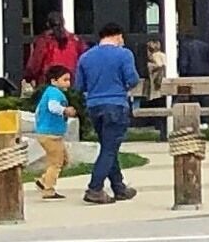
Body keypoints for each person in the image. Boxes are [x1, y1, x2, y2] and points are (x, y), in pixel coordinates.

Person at [73, 22, 141, 203]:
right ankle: (94, 188)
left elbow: (79, 86)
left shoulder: (85, 57)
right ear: (117, 35)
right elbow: (132, 79)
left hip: (94, 106)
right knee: (110, 149)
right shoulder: (124, 54)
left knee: (107, 147)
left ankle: (119, 187)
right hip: (116, 104)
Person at [27, 65, 73, 200]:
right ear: (54, 81)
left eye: (69, 80)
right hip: (50, 134)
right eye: (65, 80)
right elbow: (52, 107)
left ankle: (43, 182)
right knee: (56, 163)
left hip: (53, 134)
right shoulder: (53, 92)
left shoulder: (52, 92)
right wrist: (65, 111)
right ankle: (49, 189)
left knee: (64, 160)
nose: (68, 83)